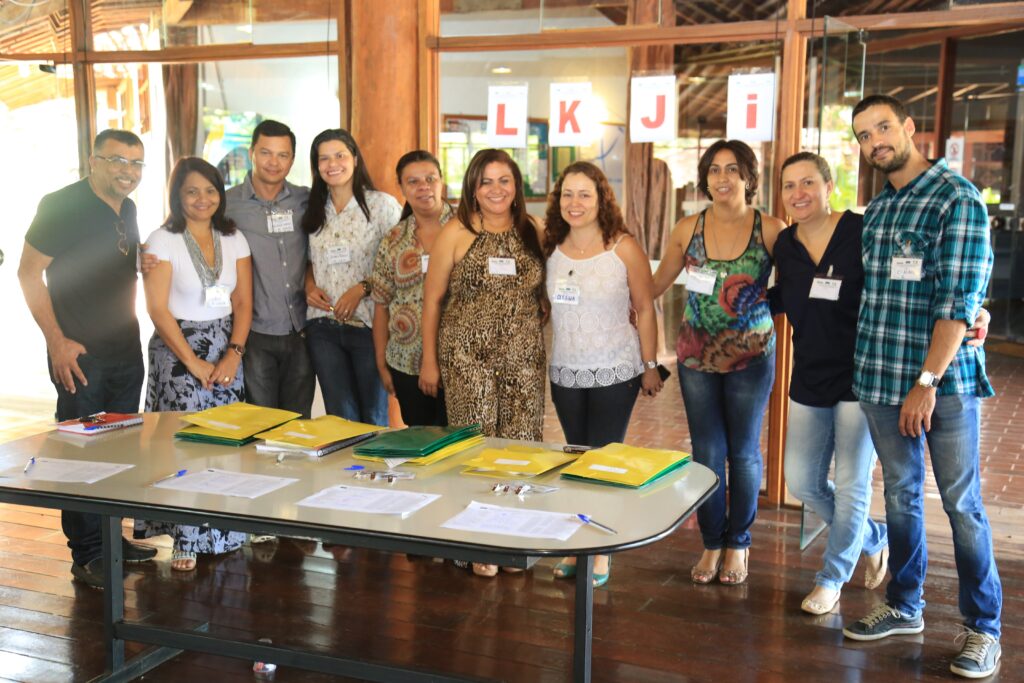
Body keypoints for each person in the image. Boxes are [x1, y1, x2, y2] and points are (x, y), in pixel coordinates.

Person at [841, 94, 1002, 679]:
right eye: (864, 135)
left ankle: (984, 628)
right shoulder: (880, 208)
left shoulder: (957, 198)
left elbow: (957, 302)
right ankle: (905, 605)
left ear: (909, 127)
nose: (875, 141)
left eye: (883, 127)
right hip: (879, 376)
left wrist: (927, 382)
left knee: (962, 504)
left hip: (943, 385)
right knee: (901, 496)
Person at [18, 129, 157, 588]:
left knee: (119, 452)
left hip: (125, 349)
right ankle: (88, 553)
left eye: (136, 163)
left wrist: (144, 261)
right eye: (117, 160)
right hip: (80, 355)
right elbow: (28, 274)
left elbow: (113, 263)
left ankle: (112, 540)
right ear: (93, 160)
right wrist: (56, 342)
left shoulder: (128, 207)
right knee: (81, 455)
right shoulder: (61, 205)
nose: (127, 171)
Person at [652, 139, 786, 586]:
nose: (722, 177)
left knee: (743, 453)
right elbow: (655, 285)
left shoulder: (771, 229)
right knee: (706, 452)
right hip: (696, 357)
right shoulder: (687, 227)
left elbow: (794, 288)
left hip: (752, 357)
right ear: (705, 179)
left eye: (732, 169)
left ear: (748, 177)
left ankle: (738, 543)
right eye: (714, 169)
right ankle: (712, 541)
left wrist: (761, 310)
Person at [420, 148, 546, 578]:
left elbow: (548, 288)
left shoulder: (534, 230)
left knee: (521, 447)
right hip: (465, 358)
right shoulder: (456, 232)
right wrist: (429, 361)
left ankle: (512, 538)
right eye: (486, 181)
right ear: (473, 188)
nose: (496, 189)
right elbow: (432, 301)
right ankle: (476, 541)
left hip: (524, 359)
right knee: (476, 448)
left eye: (504, 180)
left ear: (516, 187)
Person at [774, 152, 889, 614]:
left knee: (852, 484)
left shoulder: (861, 231)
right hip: (810, 374)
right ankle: (873, 537)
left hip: (862, 376)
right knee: (802, 481)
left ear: (829, 186)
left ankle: (832, 577)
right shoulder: (785, 245)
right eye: (789, 185)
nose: (798, 193)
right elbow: (786, 294)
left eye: (807, 183)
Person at [543, 161, 664, 588]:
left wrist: (650, 365)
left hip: (615, 368)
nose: (574, 203)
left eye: (584, 194)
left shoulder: (622, 247)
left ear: (601, 200)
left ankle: (600, 551)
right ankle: (578, 545)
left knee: (603, 460)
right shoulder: (551, 247)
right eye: (567, 194)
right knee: (577, 460)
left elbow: (645, 308)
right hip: (566, 370)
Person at [137, 157, 253, 572]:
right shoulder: (162, 239)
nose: (202, 199)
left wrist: (233, 352)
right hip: (177, 349)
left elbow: (244, 301)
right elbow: (157, 308)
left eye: (210, 190)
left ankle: (227, 529)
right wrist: (193, 362)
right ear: (177, 196)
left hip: (226, 343)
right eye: (192, 191)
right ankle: (185, 536)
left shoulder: (233, 237)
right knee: (183, 445)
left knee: (226, 440)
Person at [302, 129, 401, 426]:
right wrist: (309, 284)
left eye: (340, 155)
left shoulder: (382, 206)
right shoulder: (313, 208)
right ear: (316, 166)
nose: (333, 164)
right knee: (340, 418)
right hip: (323, 326)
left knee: (374, 416)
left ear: (355, 159)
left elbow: (399, 263)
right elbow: (307, 260)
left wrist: (362, 288)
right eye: (324, 158)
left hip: (368, 325)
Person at [224, 120, 314, 417]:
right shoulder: (227, 203)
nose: (273, 162)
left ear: (292, 159)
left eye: (282, 155)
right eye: (265, 152)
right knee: (260, 422)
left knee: (298, 423)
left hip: (301, 330)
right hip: (255, 332)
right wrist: (148, 254)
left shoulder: (306, 199)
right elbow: (183, 230)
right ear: (251, 152)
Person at [371, 150, 452, 426]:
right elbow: (381, 305)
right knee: (421, 441)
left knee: (461, 443)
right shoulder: (394, 239)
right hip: (406, 362)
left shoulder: (465, 230)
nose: (423, 187)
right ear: (402, 187)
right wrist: (382, 364)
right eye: (413, 181)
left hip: (460, 363)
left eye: (430, 179)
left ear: (441, 181)